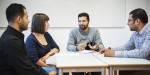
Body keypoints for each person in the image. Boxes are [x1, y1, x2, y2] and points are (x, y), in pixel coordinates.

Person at [0, 3, 48, 75]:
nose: (28, 21)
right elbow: (26, 70)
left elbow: (27, 63)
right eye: (26, 17)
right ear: (19, 19)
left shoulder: (13, 37)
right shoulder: (11, 41)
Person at [100, 8, 150, 75]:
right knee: (119, 71)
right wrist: (110, 49)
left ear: (137, 21)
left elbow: (143, 53)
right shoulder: (136, 33)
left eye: (129, 20)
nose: (127, 23)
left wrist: (115, 53)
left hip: (146, 68)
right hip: (141, 64)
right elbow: (127, 47)